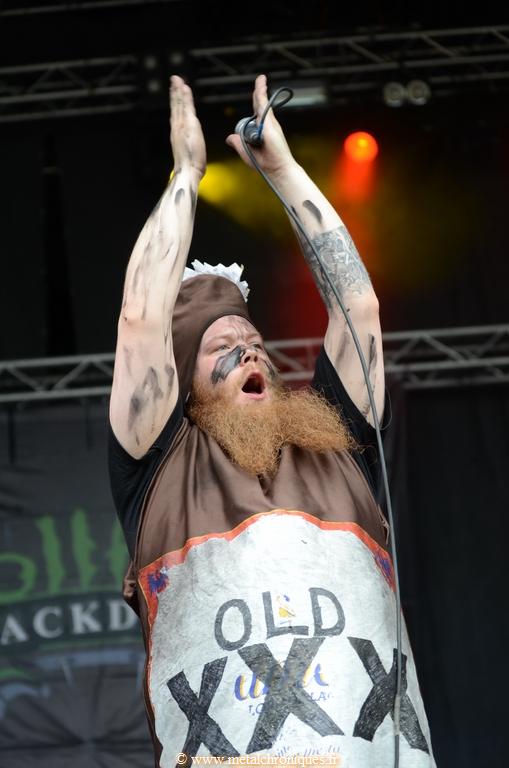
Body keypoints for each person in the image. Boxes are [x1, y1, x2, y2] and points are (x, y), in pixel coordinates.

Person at [108, 74, 436, 767]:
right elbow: (140, 319)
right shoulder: (159, 467)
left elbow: (357, 309)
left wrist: (283, 172)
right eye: (222, 349)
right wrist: (187, 172)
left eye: (253, 342)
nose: (249, 351)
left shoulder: (335, 443)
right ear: (181, 387)